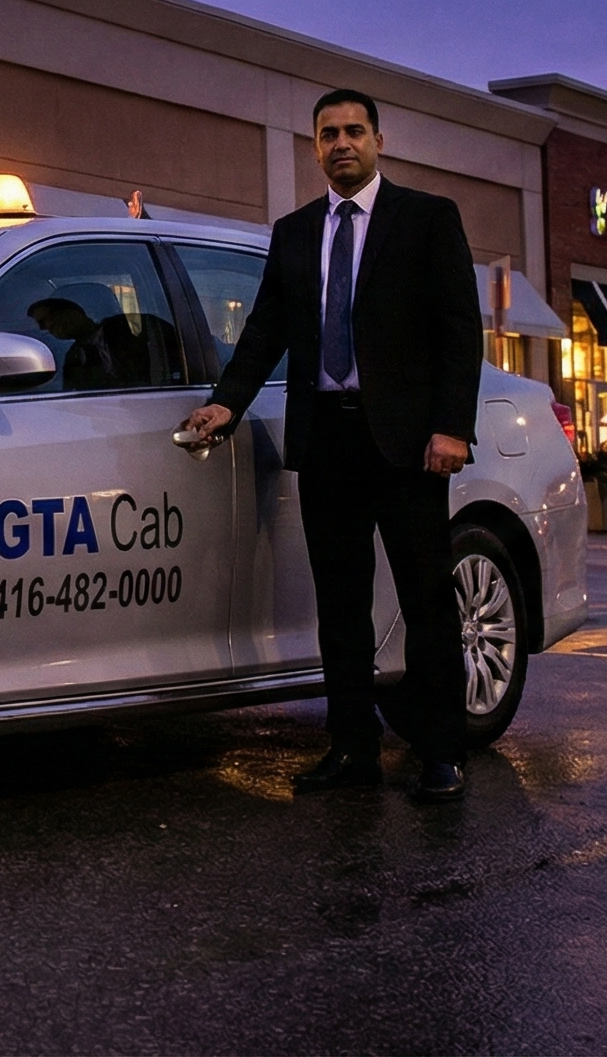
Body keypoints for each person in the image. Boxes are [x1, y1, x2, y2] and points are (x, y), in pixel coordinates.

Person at [182, 88, 482, 803]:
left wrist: (452, 429)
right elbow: (264, 332)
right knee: (339, 605)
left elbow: (458, 331)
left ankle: (440, 750)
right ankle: (352, 749)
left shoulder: (427, 220)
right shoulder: (293, 232)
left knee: (426, 599)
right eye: (327, 134)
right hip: (326, 440)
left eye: (353, 131)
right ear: (313, 146)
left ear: (378, 140)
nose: (341, 143)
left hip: (409, 445)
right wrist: (228, 400)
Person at [27, 295, 150, 390]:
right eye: (40, 325)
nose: (45, 327)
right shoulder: (73, 358)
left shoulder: (131, 326)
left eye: (46, 319)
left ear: (72, 311)